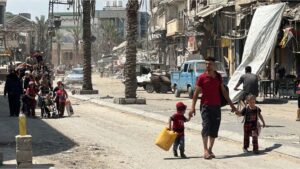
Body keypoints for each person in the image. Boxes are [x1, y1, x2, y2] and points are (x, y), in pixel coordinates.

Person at [189, 57, 237, 159]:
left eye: (209, 64)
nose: (207, 66)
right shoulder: (202, 78)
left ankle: (210, 149)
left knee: (214, 129)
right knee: (206, 127)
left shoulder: (218, 77)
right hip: (205, 106)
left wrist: (232, 105)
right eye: (206, 64)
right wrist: (192, 107)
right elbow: (196, 93)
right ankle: (205, 150)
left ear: (214, 65)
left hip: (216, 106)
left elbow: (224, 92)